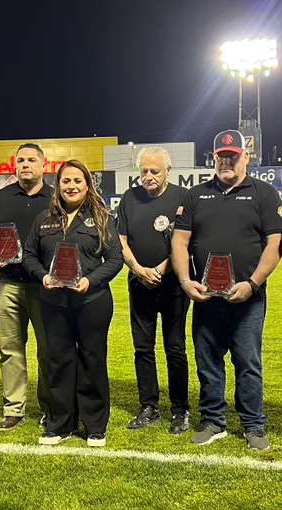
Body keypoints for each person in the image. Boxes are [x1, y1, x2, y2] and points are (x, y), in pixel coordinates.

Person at [171, 130, 282, 451]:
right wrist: (184, 279)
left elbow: (274, 244)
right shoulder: (195, 195)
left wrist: (253, 283)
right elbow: (179, 241)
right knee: (208, 361)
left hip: (248, 297)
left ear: (245, 157)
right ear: (214, 157)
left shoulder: (263, 193)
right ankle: (213, 420)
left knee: (248, 361)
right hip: (206, 296)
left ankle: (253, 424)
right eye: (222, 155)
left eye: (233, 155)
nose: (227, 160)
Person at [23, 159, 123, 447]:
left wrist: (90, 280)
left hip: (91, 300)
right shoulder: (44, 219)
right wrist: (42, 276)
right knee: (58, 361)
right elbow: (29, 254)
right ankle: (60, 424)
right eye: (66, 181)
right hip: (53, 301)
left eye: (78, 180)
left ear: (87, 185)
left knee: (92, 359)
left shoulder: (101, 218)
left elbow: (115, 258)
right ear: (59, 185)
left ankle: (94, 426)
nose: (71, 186)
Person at [0, 143, 52, 430]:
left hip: (46, 287)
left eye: (32, 160)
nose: (26, 164)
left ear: (44, 165)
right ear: (14, 164)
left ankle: (49, 406)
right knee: (10, 348)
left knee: (48, 348)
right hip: (7, 283)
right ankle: (14, 407)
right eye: (21, 160)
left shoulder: (55, 197)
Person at [117, 146, 191, 434]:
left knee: (175, 348)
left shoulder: (182, 198)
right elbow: (120, 239)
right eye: (144, 171)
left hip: (172, 286)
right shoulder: (129, 198)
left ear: (168, 172)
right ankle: (148, 406)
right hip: (139, 284)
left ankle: (180, 409)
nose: (148, 176)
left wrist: (160, 270)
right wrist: (137, 269)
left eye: (154, 171)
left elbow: (184, 243)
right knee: (142, 348)